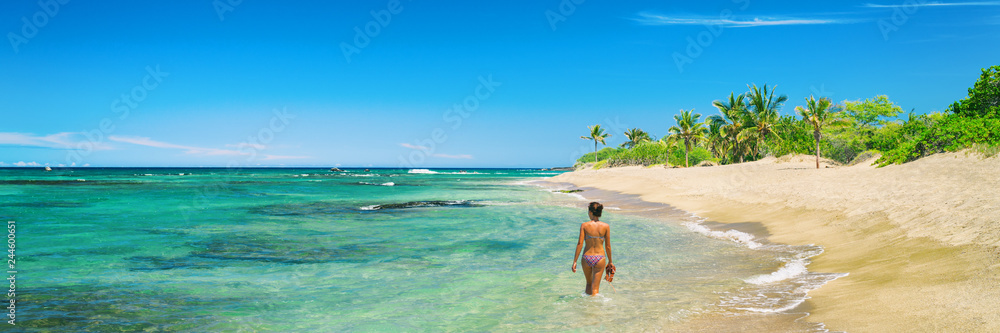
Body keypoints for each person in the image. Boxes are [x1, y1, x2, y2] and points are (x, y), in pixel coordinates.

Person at [572, 202, 613, 296]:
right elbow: (608, 246)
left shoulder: (584, 225)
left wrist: (575, 261)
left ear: (590, 212)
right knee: (595, 289)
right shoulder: (606, 226)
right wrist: (610, 261)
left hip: (586, 257)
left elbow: (580, 244)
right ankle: (594, 309)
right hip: (600, 258)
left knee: (588, 284)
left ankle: (586, 307)